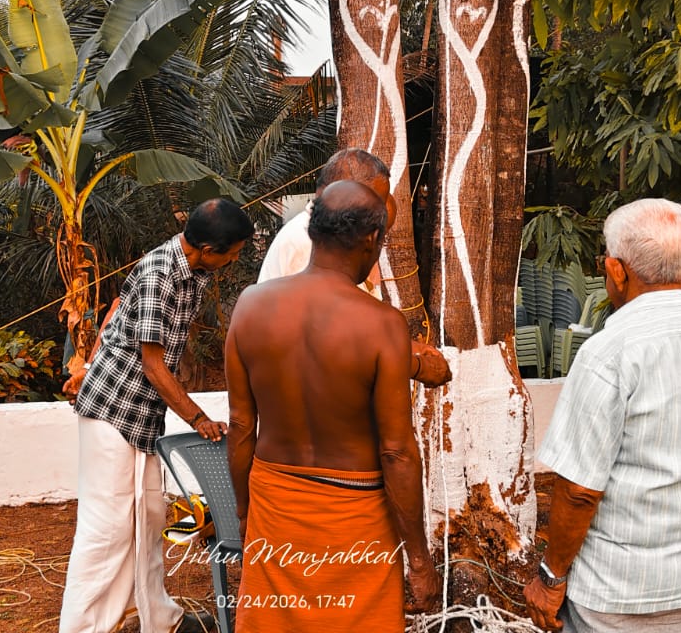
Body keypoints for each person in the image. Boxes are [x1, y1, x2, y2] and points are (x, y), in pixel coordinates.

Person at [523, 199, 681, 632]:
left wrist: (551, 577)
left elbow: (579, 491)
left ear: (617, 271)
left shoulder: (608, 354)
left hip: (619, 595)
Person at [226, 181, 442, 632]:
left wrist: (245, 516)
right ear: (371, 239)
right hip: (355, 515)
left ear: (313, 231)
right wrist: (419, 561)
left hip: (275, 506)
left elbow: (242, 427)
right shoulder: (382, 325)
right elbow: (397, 452)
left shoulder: (249, 306)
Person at [60, 198, 255, 633]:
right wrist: (198, 418)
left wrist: (90, 361)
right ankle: (82, 626)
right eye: (233, 253)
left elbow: (118, 308)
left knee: (148, 518)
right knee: (107, 529)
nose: (234, 261)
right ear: (207, 248)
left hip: (142, 417)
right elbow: (153, 365)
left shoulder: (194, 270)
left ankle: (155, 618)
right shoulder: (159, 274)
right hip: (113, 412)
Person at [257, 148, 451, 387]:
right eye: (374, 205)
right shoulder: (305, 242)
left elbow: (354, 326)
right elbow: (329, 339)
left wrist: (409, 349)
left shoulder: (341, 240)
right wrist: (414, 365)